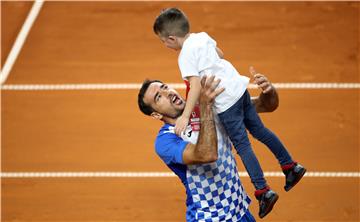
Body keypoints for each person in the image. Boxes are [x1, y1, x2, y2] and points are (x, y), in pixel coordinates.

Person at [152, 8, 306, 218]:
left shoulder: (184, 56)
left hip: (225, 102)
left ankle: (263, 190)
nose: (165, 45)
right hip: (239, 88)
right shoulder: (202, 37)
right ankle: (290, 166)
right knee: (260, 130)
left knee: (243, 146)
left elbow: (195, 86)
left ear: (171, 38)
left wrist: (186, 115)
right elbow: (220, 55)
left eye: (164, 41)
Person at [138, 72, 279, 221]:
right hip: (209, 217)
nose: (167, 93)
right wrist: (205, 107)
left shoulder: (206, 105)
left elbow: (266, 105)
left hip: (240, 211)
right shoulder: (166, 141)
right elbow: (206, 155)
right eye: (158, 97)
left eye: (165, 87)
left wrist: (268, 91)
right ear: (156, 115)